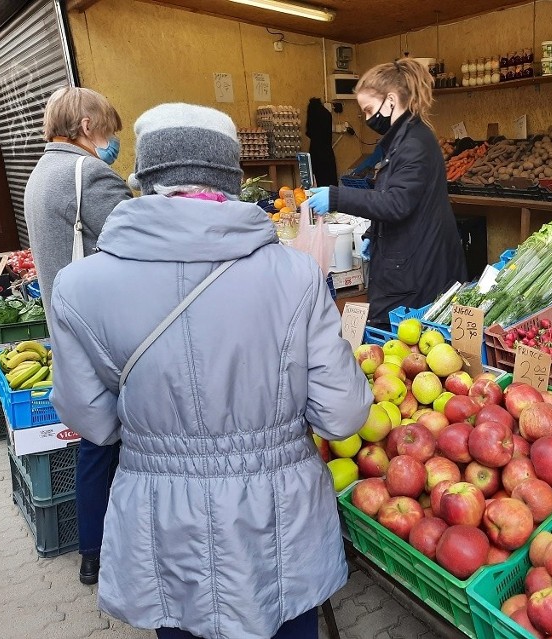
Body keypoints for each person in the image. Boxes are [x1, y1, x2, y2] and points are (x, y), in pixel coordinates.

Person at [47, 102, 373, 639]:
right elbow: (341, 414)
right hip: (279, 525)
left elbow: (95, 423)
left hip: (163, 525)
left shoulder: (80, 286)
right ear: (232, 177)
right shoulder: (296, 274)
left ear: (144, 177)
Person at [23, 86, 132, 586]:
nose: (111, 142)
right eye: (108, 130)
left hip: (65, 325)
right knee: (114, 441)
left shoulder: (40, 173)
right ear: (88, 127)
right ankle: (118, 548)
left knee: (94, 438)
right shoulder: (87, 172)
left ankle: (93, 551)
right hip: (102, 331)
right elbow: (134, 241)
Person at [306, 58, 467, 327]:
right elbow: (396, 196)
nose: (368, 119)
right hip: (407, 258)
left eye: (369, 110)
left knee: (399, 338)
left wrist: (336, 197)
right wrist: (373, 234)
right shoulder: (402, 140)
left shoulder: (414, 143)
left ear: (391, 100)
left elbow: (397, 202)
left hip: (417, 268)